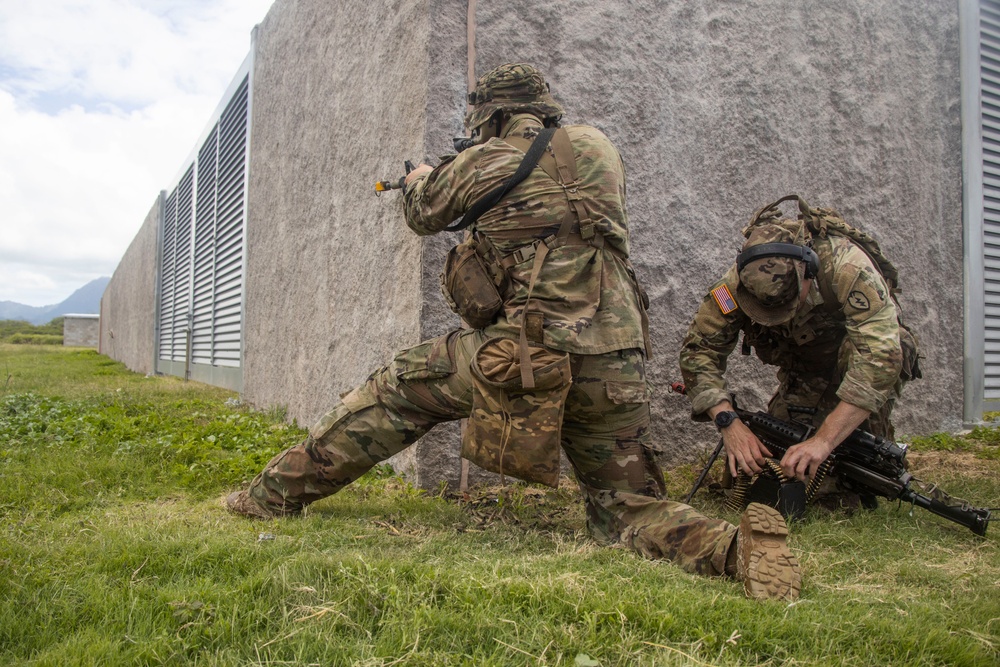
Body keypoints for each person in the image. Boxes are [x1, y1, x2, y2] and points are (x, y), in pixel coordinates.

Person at [225, 63, 801, 601]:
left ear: (490, 117)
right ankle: (734, 550)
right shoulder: (599, 147)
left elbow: (424, 214)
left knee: (399, 388)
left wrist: (428, 177)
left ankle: (269, 496)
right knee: (624, 508)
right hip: (616, 359)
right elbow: (550, 200)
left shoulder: (484, 161)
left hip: (530, 353)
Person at [679, 195, 918, 511]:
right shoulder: (733, 286)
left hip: (857, 365)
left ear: (809, 273)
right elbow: (700, 350)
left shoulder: (848, 268)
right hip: (803, 370)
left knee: (843, 471)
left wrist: (823, 442)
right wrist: (728, 423)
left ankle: (865, 435)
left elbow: (879, 359)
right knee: (771, 467)